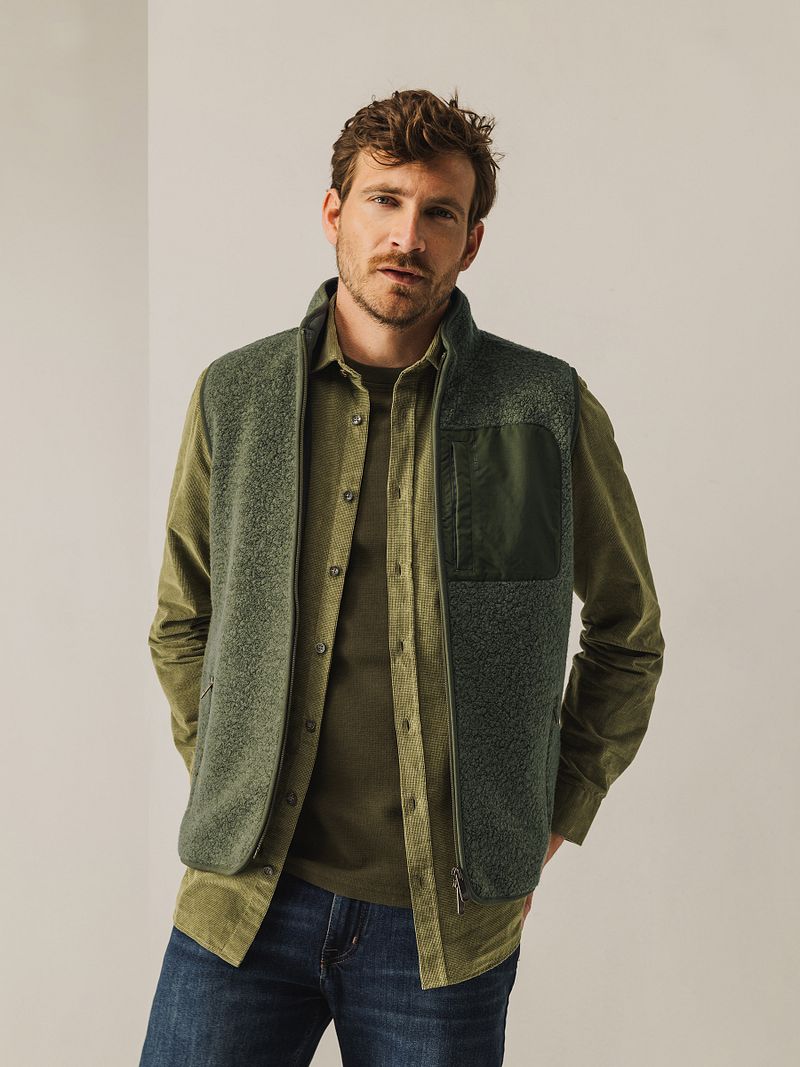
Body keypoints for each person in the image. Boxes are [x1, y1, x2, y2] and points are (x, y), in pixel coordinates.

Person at [139, 87, 665, 1066]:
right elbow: (182, 618)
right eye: (383, 200)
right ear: (333, 212)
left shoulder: (540, 408)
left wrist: (547, 814)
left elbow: (627, 634)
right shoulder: (237, 396)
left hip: (442, 931)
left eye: (438, 213)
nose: (406, 236)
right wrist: (229, 769)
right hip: (241, 903)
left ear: (471, 242)